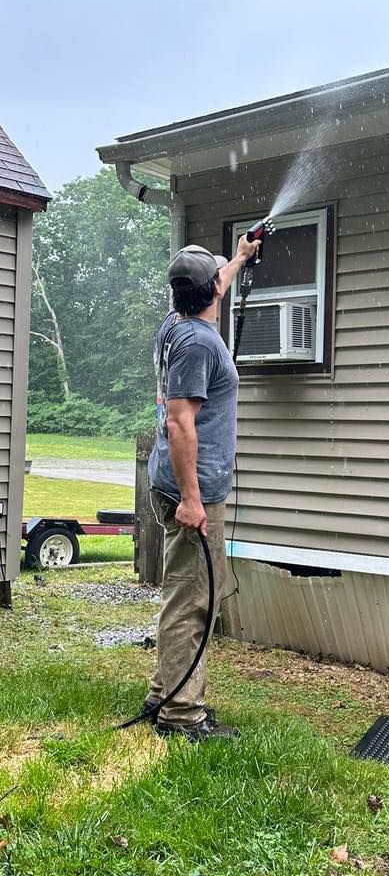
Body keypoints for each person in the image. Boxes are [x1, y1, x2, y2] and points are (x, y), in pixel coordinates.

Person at [141, 236, 257, 740]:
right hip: (192, 491)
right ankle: (181, 715)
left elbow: (216, 284)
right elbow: (180, 423)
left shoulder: (176, 324)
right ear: (207, 289)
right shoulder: (199, 343)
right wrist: (192, 499)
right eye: (217, 277)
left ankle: (162, 692)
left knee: (188, 594)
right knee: (191, 600)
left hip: (176, 481)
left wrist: (239, 258)